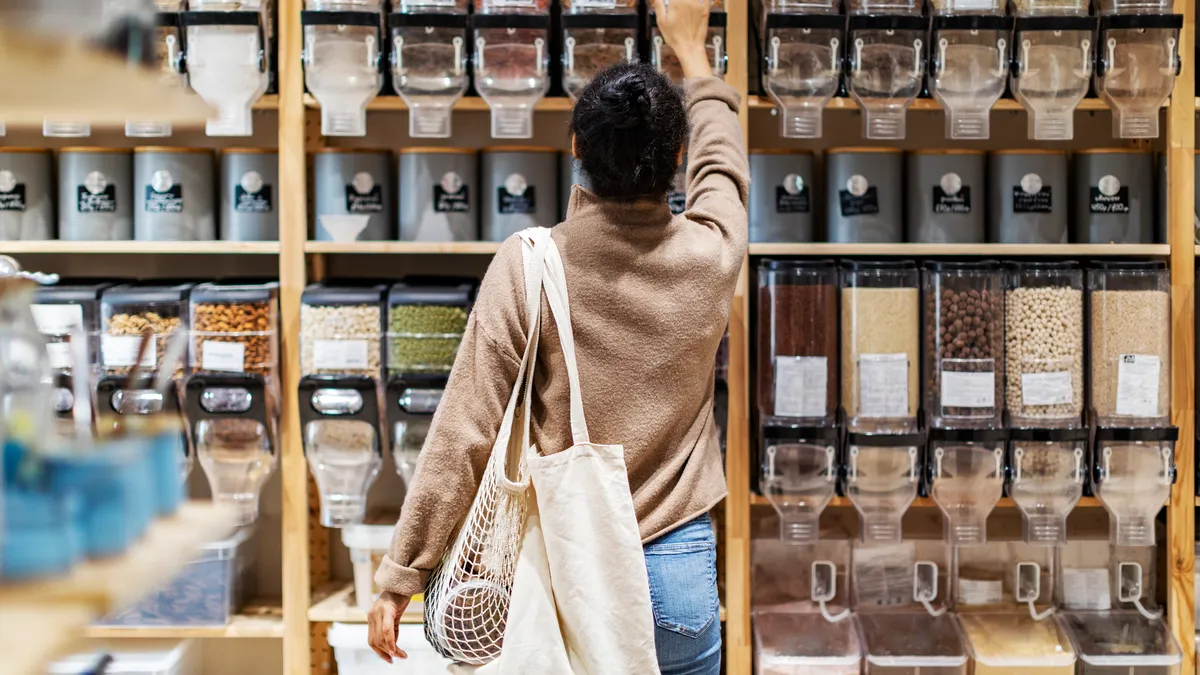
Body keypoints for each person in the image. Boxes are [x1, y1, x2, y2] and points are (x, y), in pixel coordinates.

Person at [366, 0, 748, 669]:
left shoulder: (531, 261)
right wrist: (692, 54)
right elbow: (725, 163)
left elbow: (466, 427)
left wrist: (403, 573)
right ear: (678, 159)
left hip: (572, 570)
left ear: (575, 149)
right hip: (678, 577)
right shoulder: (711, 253)